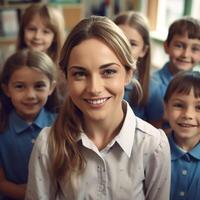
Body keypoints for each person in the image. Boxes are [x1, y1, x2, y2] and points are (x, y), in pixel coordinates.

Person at [25, 16, 170, 200]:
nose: (94, 88)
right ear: (66, 77)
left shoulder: (154, 145)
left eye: (108, 72)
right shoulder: (48, 144)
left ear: (128, 74)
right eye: (80, 74)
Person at [0, 49, 59, 200]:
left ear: (51, 88)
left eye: (39, 86)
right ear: (7, 89)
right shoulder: (1, 129)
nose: (30, 95)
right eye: (20, 86)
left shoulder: (62, 124)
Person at [145, 16, 200, 128]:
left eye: (194, 49)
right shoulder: (152, 86)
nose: (185, 54)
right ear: (166, 46)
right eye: (179, 46)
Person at [17, 3, 67, 101]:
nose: (37, 36)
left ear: (55, 37)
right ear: (22, 32)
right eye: (32, 29)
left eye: (46, 32)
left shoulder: (63, 72)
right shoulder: (13, 66)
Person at [164, 71, 200, 200]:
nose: (188, 115)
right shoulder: (152, 151)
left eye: (199, 107)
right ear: (166, 108)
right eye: (179, 105)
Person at [114, 11, 151, 120]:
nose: (123, 48)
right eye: (119, 40)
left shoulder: (152, 88)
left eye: (132, 44)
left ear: (143, 50)